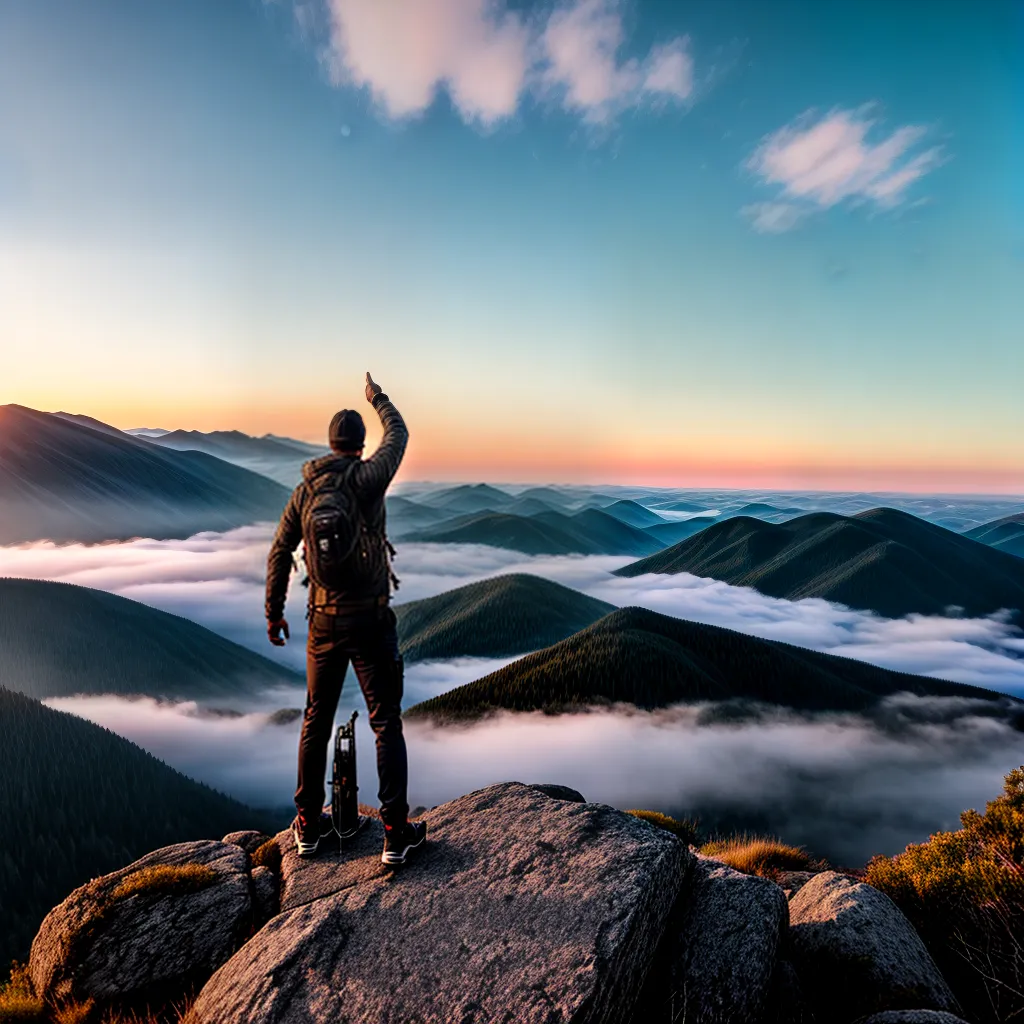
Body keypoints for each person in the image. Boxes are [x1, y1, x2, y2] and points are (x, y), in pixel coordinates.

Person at [265, 372, 426, 866]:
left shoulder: (305, 492)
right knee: (385, 723)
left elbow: (279, 552)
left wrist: (274, 613)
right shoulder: (368, 478)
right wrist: (378, 397)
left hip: (323, 623)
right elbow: (398, 435)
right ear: (359, 447)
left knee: (315, 718)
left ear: (331, 445)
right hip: (372, 622)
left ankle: (308, 825)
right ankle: (396, 833)